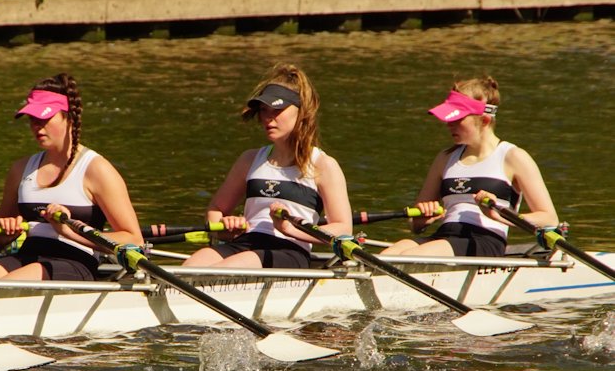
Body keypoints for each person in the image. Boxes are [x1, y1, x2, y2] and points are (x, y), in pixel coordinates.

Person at [0, 73, 142, 281]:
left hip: (76, 260)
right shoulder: (21, 169)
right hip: (27, 255)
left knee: (7, 285)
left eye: (44, 118)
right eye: (33, 119)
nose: (36, 126)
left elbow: (133, 240)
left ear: (69, 117)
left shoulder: (96, 169)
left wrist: (69, 231)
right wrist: (6, 234)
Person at [182, 63, 352, 268]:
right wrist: (225, 227)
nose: (268, 118)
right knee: (189, 267)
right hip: (245, 242)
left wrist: (290, 228)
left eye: (277, 109)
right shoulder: (249, 159)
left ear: (302, 112)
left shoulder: (323, 165)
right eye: (264, 110)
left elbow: (344, 230)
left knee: (226, 268)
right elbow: (216, 209)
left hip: (289, 249)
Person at [381, 76, 558, 257]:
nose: (449, 124)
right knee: (385, 256)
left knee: (410, 257)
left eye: (457, 119)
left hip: (484, 240)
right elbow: (415, 225)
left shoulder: (513, 157)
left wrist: (499, 214)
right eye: (448, 119)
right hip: (444, 236)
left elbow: (548, 218)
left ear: (485, 120)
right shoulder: (445, 158)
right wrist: (423, 218)